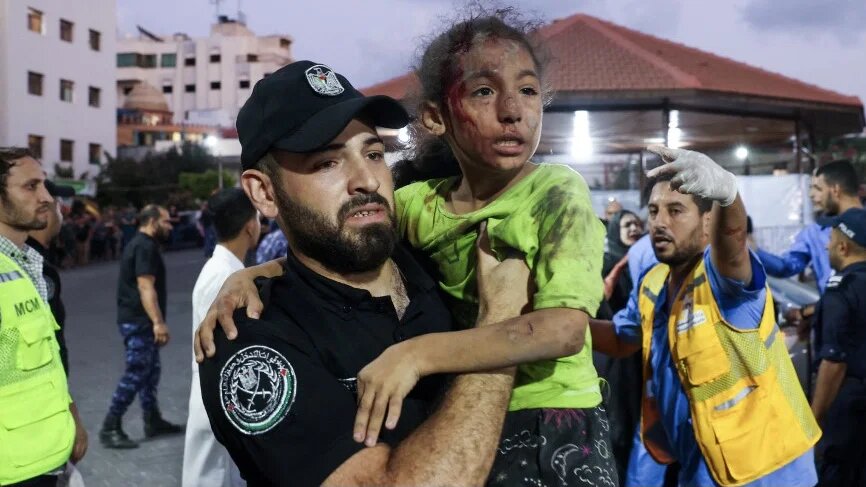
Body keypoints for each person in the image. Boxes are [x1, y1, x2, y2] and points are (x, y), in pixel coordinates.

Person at [198, 11, 617, 485]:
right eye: (326, 164)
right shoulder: (253, 339)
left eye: (374, 154)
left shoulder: (426, 250)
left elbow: (565, 328)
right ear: (264, 193)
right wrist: (247, 275)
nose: (367, 181)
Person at [590, 146, 820, 487]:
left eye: (676, 211)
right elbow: (623, 339)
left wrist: (728, 195)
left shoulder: (722, 280)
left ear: (707, 221)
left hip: (769, 469)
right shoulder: (653, 283)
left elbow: (734, 243)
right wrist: (557, 322)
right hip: (702, 466)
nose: (659, 223)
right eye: (653, 212)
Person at [0, 148, 84, 486]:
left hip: (44, 460)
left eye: (44, 186)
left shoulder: (22, 266)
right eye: (31, 187)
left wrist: (71, 414)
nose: (47, 197)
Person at [182, 189, 261, 487]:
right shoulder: (225, 276)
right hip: (217, 394)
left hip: (215, 393)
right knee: (214, 477)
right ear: (250, 226)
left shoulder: (226, 269)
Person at [100, 204, 183, 449]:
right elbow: (145, 287)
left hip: (140, 320)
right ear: (152, 221)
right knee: (136, 372)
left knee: (150, 371)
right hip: (138, 321)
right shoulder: (144, 246)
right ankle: (110, 425)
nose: (170, 226)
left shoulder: (142, 244)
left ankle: (152, 420)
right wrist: (158, 322)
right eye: (166, 222)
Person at [810, 208, 866, 486]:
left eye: (830, 239)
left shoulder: (841, 289)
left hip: (848, 416)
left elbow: (834, 361)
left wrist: (815, 419)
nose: (826, 245)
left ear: (843, 247)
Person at [755, 160, 863, 296]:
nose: (811, 194)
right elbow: (787, 266)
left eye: (817, 188)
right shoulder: (815, 232)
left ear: (835, 189)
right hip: (836, 312)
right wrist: (753, 251)